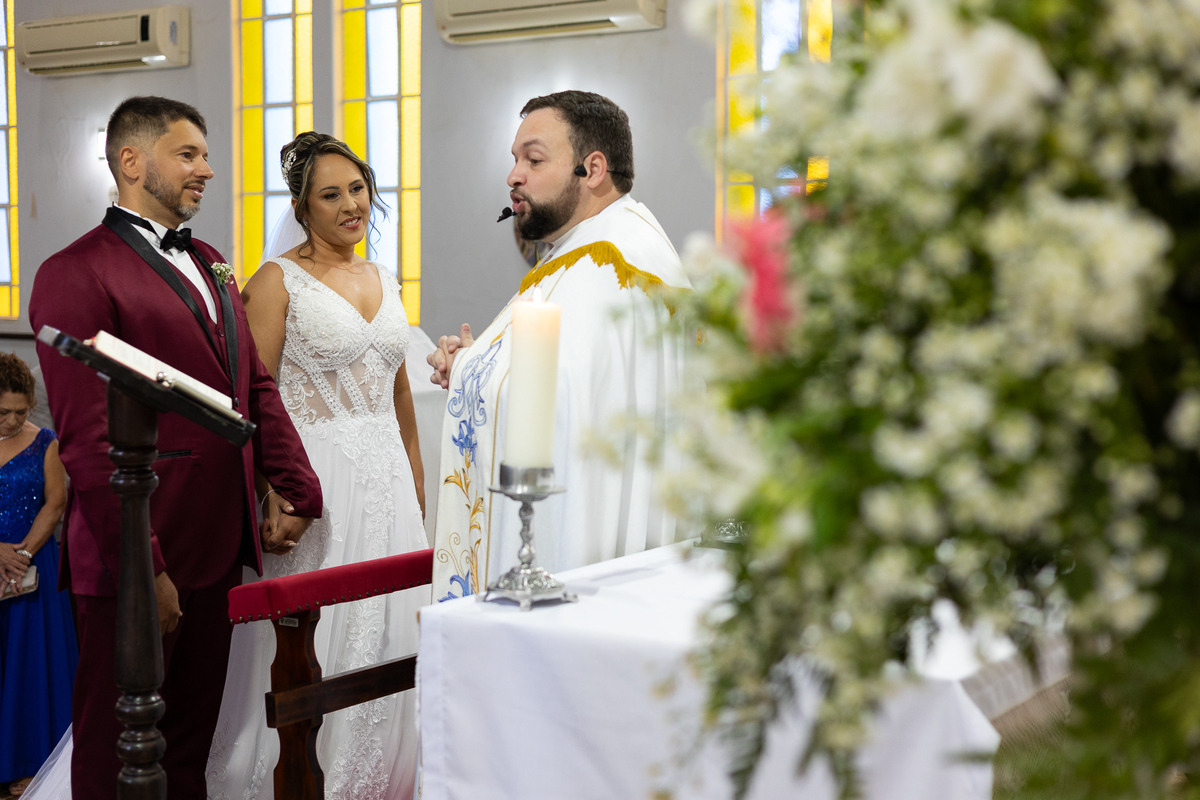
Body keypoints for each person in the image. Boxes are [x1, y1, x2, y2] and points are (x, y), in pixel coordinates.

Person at [28, 96, 322, 800]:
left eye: (205, 155)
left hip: (216, 538)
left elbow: (250, 382)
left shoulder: (214, 262)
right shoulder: (75, 272)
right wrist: (144, 567)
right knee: (116, 742)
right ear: (132, 162)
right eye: (188, 154)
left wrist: (299, 486)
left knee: (190, 739)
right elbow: (89, 441)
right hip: (136, 547)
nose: (206, 170)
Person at [205, 132, 430, 799]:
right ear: (302, 210)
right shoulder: (278, 282)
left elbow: (398, 391)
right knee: (319, 634)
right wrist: (275, 490)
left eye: (357, 189)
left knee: (392, 627)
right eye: (330, 195)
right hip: (317, 486)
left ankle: (388, 773)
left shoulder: (384, 278)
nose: (350, 205)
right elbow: (253, 394)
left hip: (387, 480)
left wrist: (414, 477)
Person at [427, 90, 692, 601]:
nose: (513, 176)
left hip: (577, 562)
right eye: (514, 160)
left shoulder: (605, 263)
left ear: (593, 169)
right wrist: (477, 361)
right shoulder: (606, 248)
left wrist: (468, 373)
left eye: (534, 158)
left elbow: (558, 404)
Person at [0, 353, 74, 798]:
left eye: (20, 411)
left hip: (33, 565)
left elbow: (56, 502)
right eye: (2, 411)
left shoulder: (46, 441)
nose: (11, 420)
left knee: (30, 668)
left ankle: (32, 763)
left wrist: (23, 553)